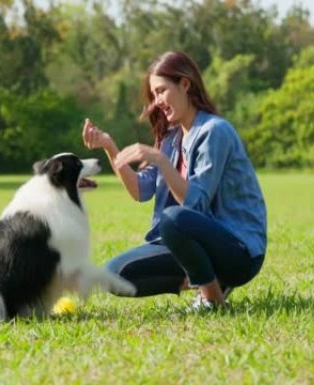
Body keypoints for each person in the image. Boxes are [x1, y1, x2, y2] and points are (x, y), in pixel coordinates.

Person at [82, 51, 266, 310]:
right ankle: (210, 280)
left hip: (238, 251)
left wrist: (161, 161)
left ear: (185, 84)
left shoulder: (215, 131)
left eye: (161, 91)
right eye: (153, 95)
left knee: (173, 218)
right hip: (192, 241)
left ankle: (211, 298)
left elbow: (194, 207)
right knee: (114, 274)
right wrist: (110, 147)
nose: (157, 102)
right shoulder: (171, 137)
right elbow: (139, 190)